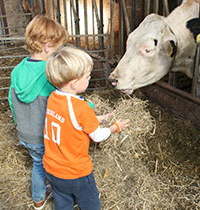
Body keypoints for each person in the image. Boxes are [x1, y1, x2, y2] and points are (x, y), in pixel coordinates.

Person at [43, 45, 130, 210]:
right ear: (75, 84)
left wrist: (95, 118)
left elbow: (68, 120)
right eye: (87, 76)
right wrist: (114, 127)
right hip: (75, 173)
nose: (89, 79)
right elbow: (97, 136)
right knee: (91, 205)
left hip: (52, 169)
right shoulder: (81, 107)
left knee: (63, 204)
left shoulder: (53, 98)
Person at [8, 15, 69, 210]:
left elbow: (11, 100)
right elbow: (64, 101)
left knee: (37, 164)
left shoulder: (18, 69)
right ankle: (54, 197)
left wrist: (19, 124)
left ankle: (38, 199)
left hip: (25, 132)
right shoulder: (49, 73)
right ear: (47, 47)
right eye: (58, 48)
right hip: (44, 135)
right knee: (51, 165)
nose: (59, 53)